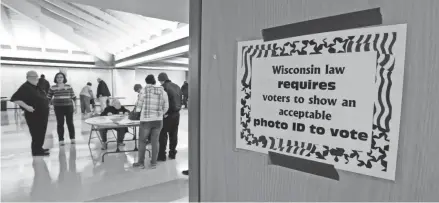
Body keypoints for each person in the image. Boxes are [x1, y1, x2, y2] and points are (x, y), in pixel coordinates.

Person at [10, 70, 50, 156]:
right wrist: (27, 107)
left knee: (42, 132)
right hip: (34, 115)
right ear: (28, 77)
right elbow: (15, 98)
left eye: (36, 76)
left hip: (43, 114)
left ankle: (39, 148)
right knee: (36, 133)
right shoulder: (25, 87)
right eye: (33, 77)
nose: (36, 78)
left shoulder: (36, 86)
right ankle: (36, 151)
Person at [133, 75, 168, 169]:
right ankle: (153, 163)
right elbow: (166, 106)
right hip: (158, 120)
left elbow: (138, 106)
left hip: (146, 120)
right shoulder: (162, 91)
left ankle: (141, 163)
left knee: (142, 141)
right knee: (155, 141)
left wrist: (138, 113)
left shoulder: (143, 91)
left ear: (146, 82)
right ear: (154, 81)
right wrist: (160, 114)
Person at [47, 72, 77, 146]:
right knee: (60, 123)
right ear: (55, 79)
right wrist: (48, 106)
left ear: (64, 78)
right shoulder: (52, 87)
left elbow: (74, 97)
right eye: (58, 77)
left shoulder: (69, 86)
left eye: (61, 77)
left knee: (70, 123)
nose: (59, 79)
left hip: (69, 106)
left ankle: (72, 138)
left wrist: (76, 107)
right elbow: (48, 98)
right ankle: (61, 139)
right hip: (58, 107)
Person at [157, 72, 182, 161]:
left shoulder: (163, 88)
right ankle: (172, 153)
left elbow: (161, 102)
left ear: (160, 80)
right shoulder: (177, 86)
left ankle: (162, 155)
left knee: (163, 135)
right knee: (174, 134)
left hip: (167, 115)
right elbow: (180, 100)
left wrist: (162, 113)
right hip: (176, 114)